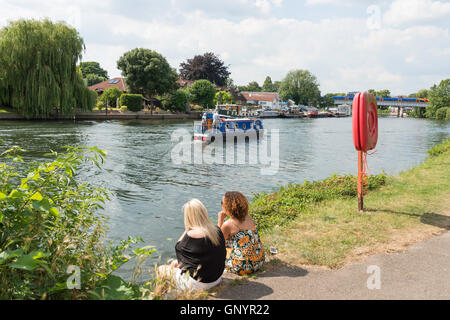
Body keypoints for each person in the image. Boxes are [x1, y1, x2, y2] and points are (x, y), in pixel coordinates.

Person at [160, 199, 226, 292]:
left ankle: (164, 295)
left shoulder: (191, 235)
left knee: (161, 269)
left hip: (199, 284)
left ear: (188, 216)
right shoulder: (217, 230)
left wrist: (187, 228)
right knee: (174, 263)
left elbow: (178, 247)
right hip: (216, 279)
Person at [218, 191, 265, 275]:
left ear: (228, 206)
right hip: (258, 261)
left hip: (241, 267)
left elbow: (218, 241)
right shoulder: (248, 217)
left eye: (222, 203)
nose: (221, 205)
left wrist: (220, 219)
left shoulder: (228, 224)